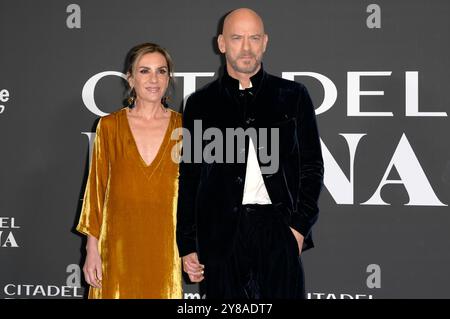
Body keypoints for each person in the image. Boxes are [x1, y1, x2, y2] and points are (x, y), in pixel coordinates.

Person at [176, 8, 324, 299]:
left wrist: (297, 229)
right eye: (237, 38)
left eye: (254, 38)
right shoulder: (199, 103)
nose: (246, 47)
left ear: (265, 42)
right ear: (221, 43)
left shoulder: (293, 95)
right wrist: (188, 243)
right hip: (220, 238)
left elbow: (312, 167)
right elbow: (190, 177)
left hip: (278, 231)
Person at [76, 43, 183, 299]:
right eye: (144, 71)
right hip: (116, 249)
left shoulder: (185, 127)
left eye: (161, 71)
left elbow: (197, 195)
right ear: (130, 78)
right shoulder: (109, 126)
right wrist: (92, 250)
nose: (154, 79)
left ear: (169, 78)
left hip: (166, 249)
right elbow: (96, 190)